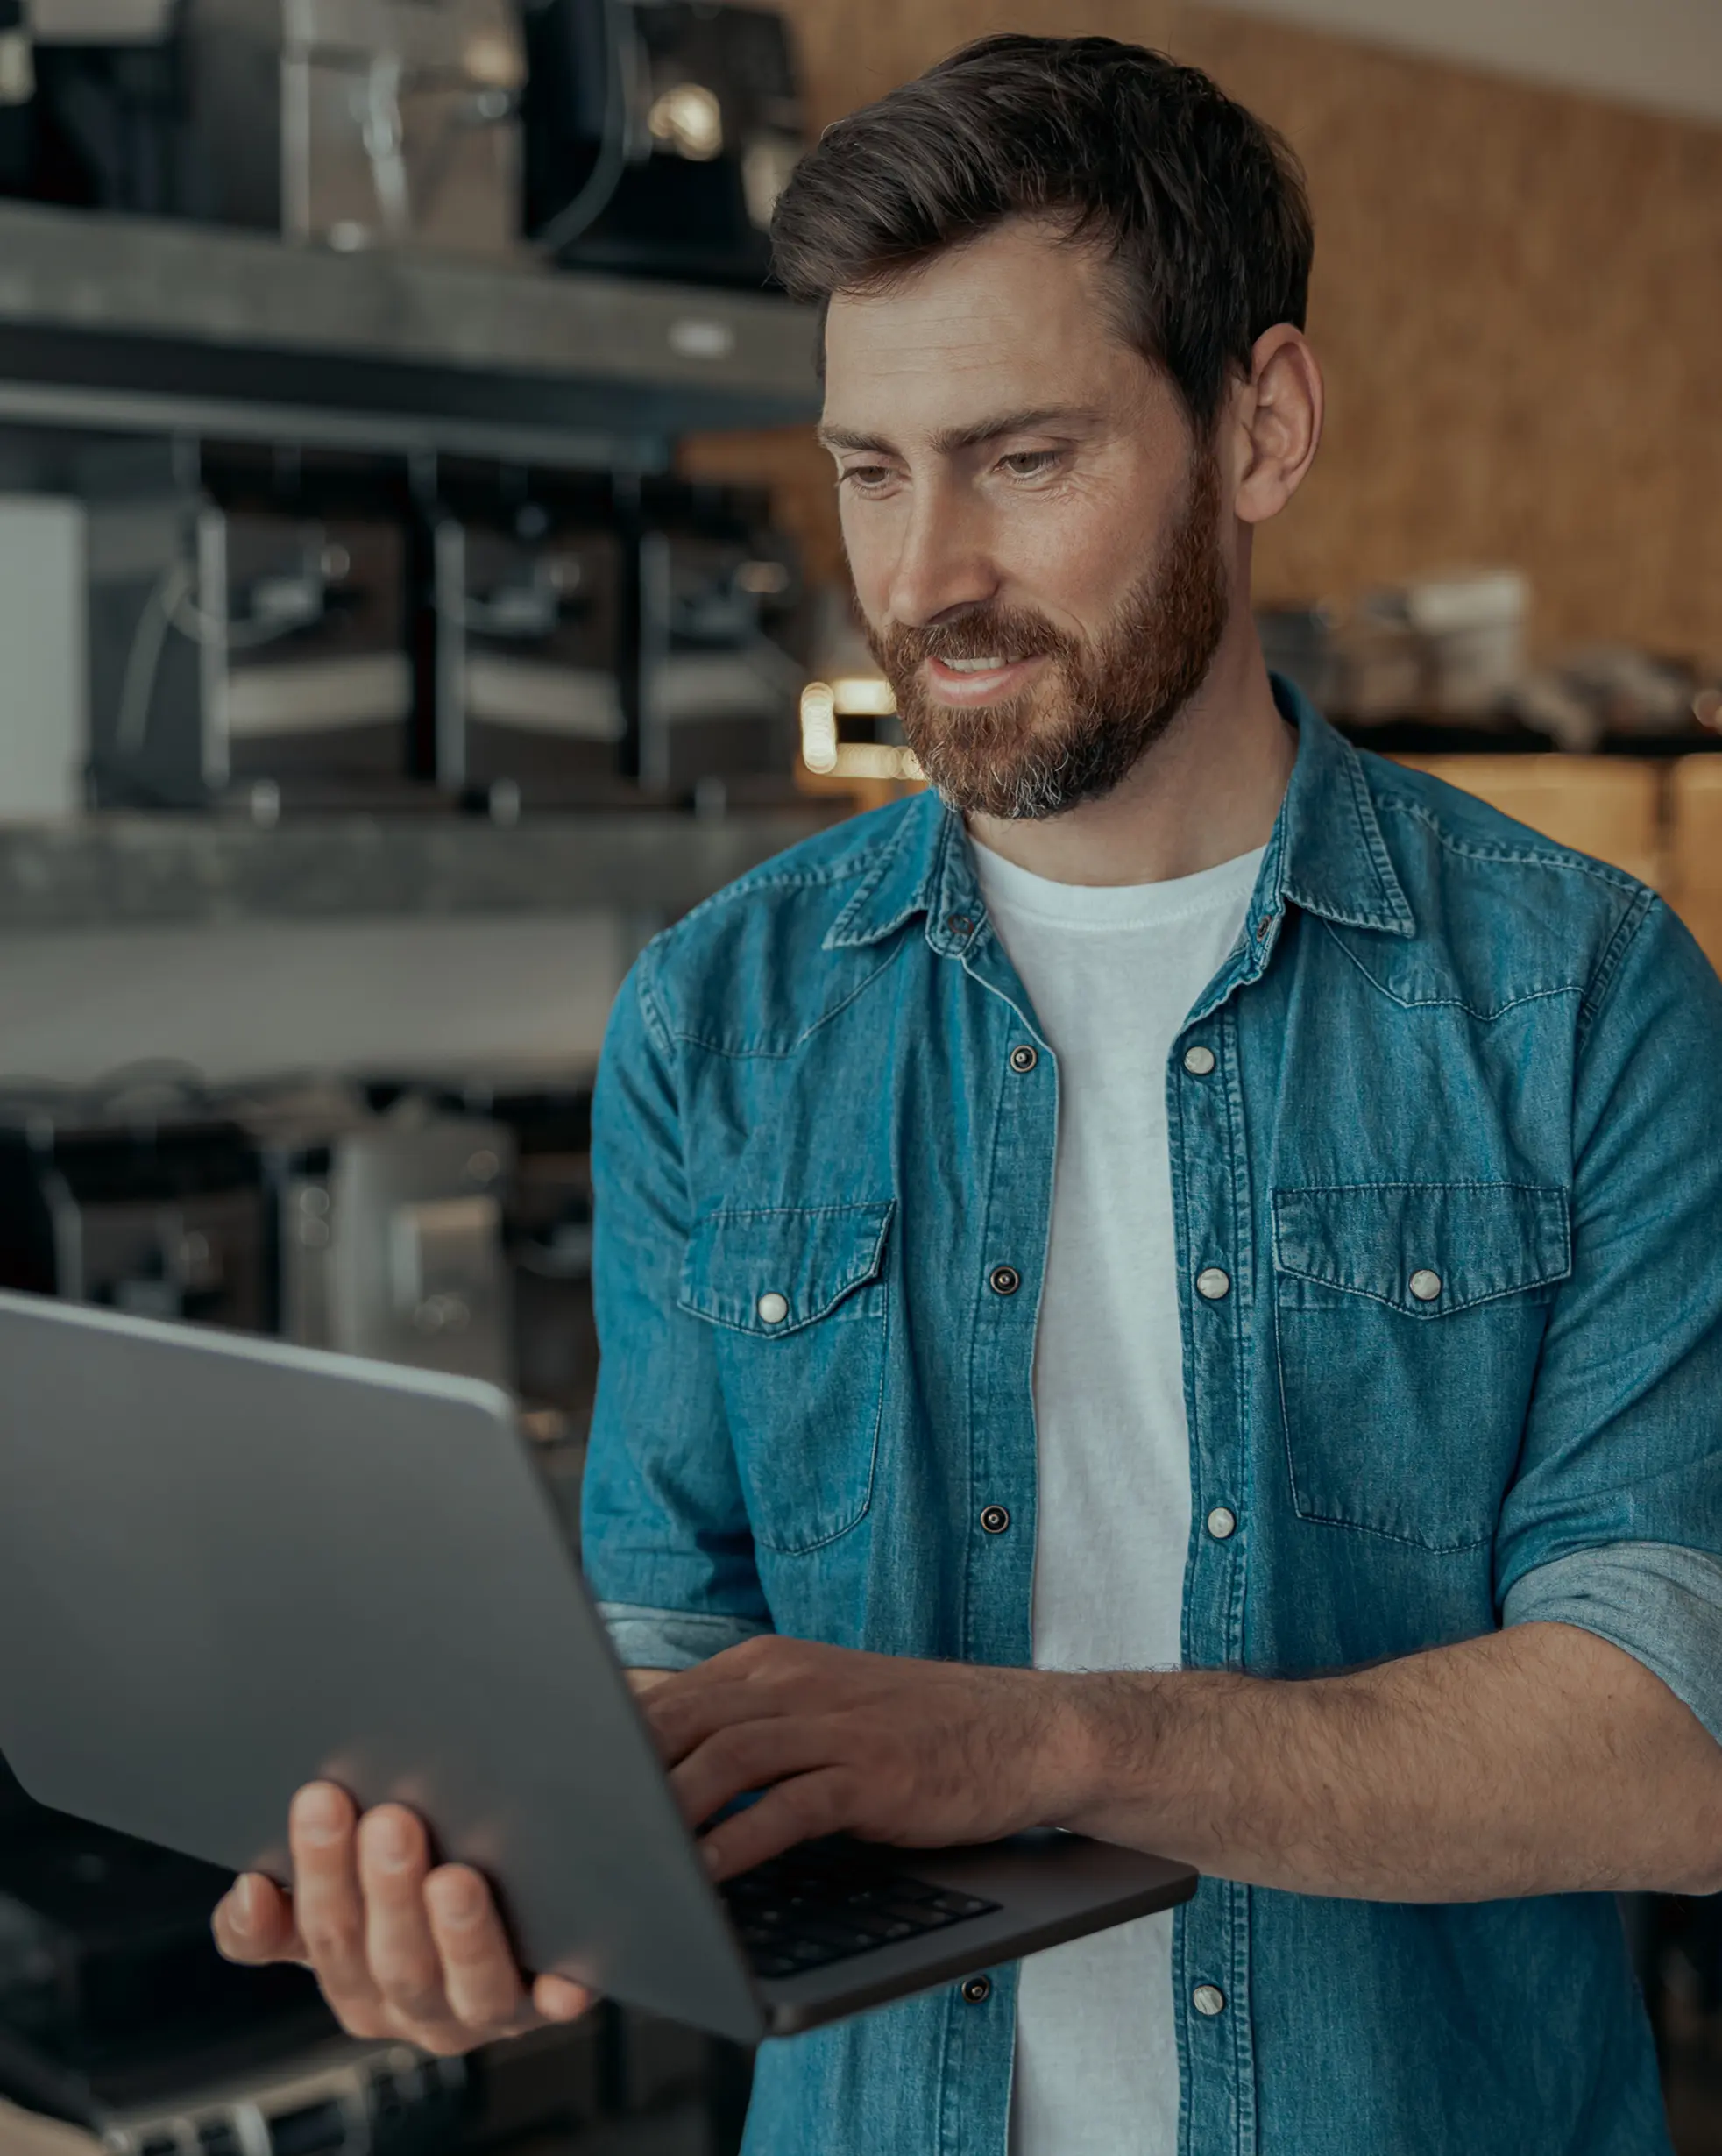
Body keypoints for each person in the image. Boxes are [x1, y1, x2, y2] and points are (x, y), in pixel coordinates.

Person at [215, 33, 1722, 2155]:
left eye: (1021, 458)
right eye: (869, 469)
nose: (924, 577)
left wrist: (1047, 1746)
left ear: (1260, 426)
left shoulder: (1584, 996)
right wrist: (482, 1869)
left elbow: (1668, 1736)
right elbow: (670, 1641)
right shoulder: (716, 1015)